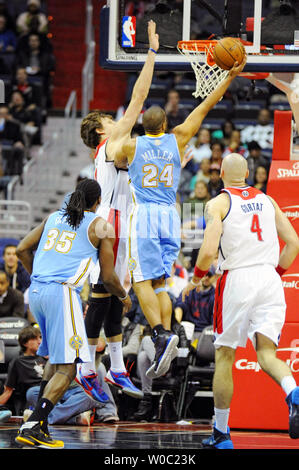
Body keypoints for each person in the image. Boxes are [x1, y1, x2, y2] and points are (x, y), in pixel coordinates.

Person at [113, 59, 246, 380]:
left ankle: (159, 334)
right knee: (159, 281)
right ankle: (168, 331)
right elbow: (206, 104)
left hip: (144, 215)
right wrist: (229, 76)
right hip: (170, 215)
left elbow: (113, 157)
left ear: (144, 125)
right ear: (166, 123)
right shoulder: (179, 138)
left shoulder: (131, 146)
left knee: (141, 280)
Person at [181, 152, 299, 448]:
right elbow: (294, 243)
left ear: (220, 174)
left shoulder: (217, 203)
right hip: (269, 279)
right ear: (247, 173)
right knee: (267, 355)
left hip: (237, 279)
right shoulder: (267, 200)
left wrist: (196, 279)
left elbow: (208, 251)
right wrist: (275, 273)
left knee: (224, 355)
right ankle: (293, 393)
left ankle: (221, 432)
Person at [14, 178, 131, 448]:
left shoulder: (54, 217)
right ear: (98, 201)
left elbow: (21, 249)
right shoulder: (101, 226)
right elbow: (109, 276)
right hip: (62, 293)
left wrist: (39, 278)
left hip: (37, 293)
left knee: (55, 361)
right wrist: (124, 297)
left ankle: (39, 425)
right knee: (69, 369)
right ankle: (34, 423)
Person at [78, 21, 160, 400]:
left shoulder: (116, 153)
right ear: (100, 131)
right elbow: (139, 102)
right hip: (107, 224)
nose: (118, 121)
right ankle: (84, 365)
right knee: (102, 290)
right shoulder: (108, 146)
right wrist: (151, 56)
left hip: (121, 225)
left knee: (115, 295)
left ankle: (113, 368)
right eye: (111, 121)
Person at [175, 265, 215, 341]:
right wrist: (177, 325)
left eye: (209, 275)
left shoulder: (215, 295)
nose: (206, 277)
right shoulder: (189, 291)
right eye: (204, 274)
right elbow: (180, 306)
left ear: (214, 277)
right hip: (188, 329)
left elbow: (214, 322)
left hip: (205, 332)